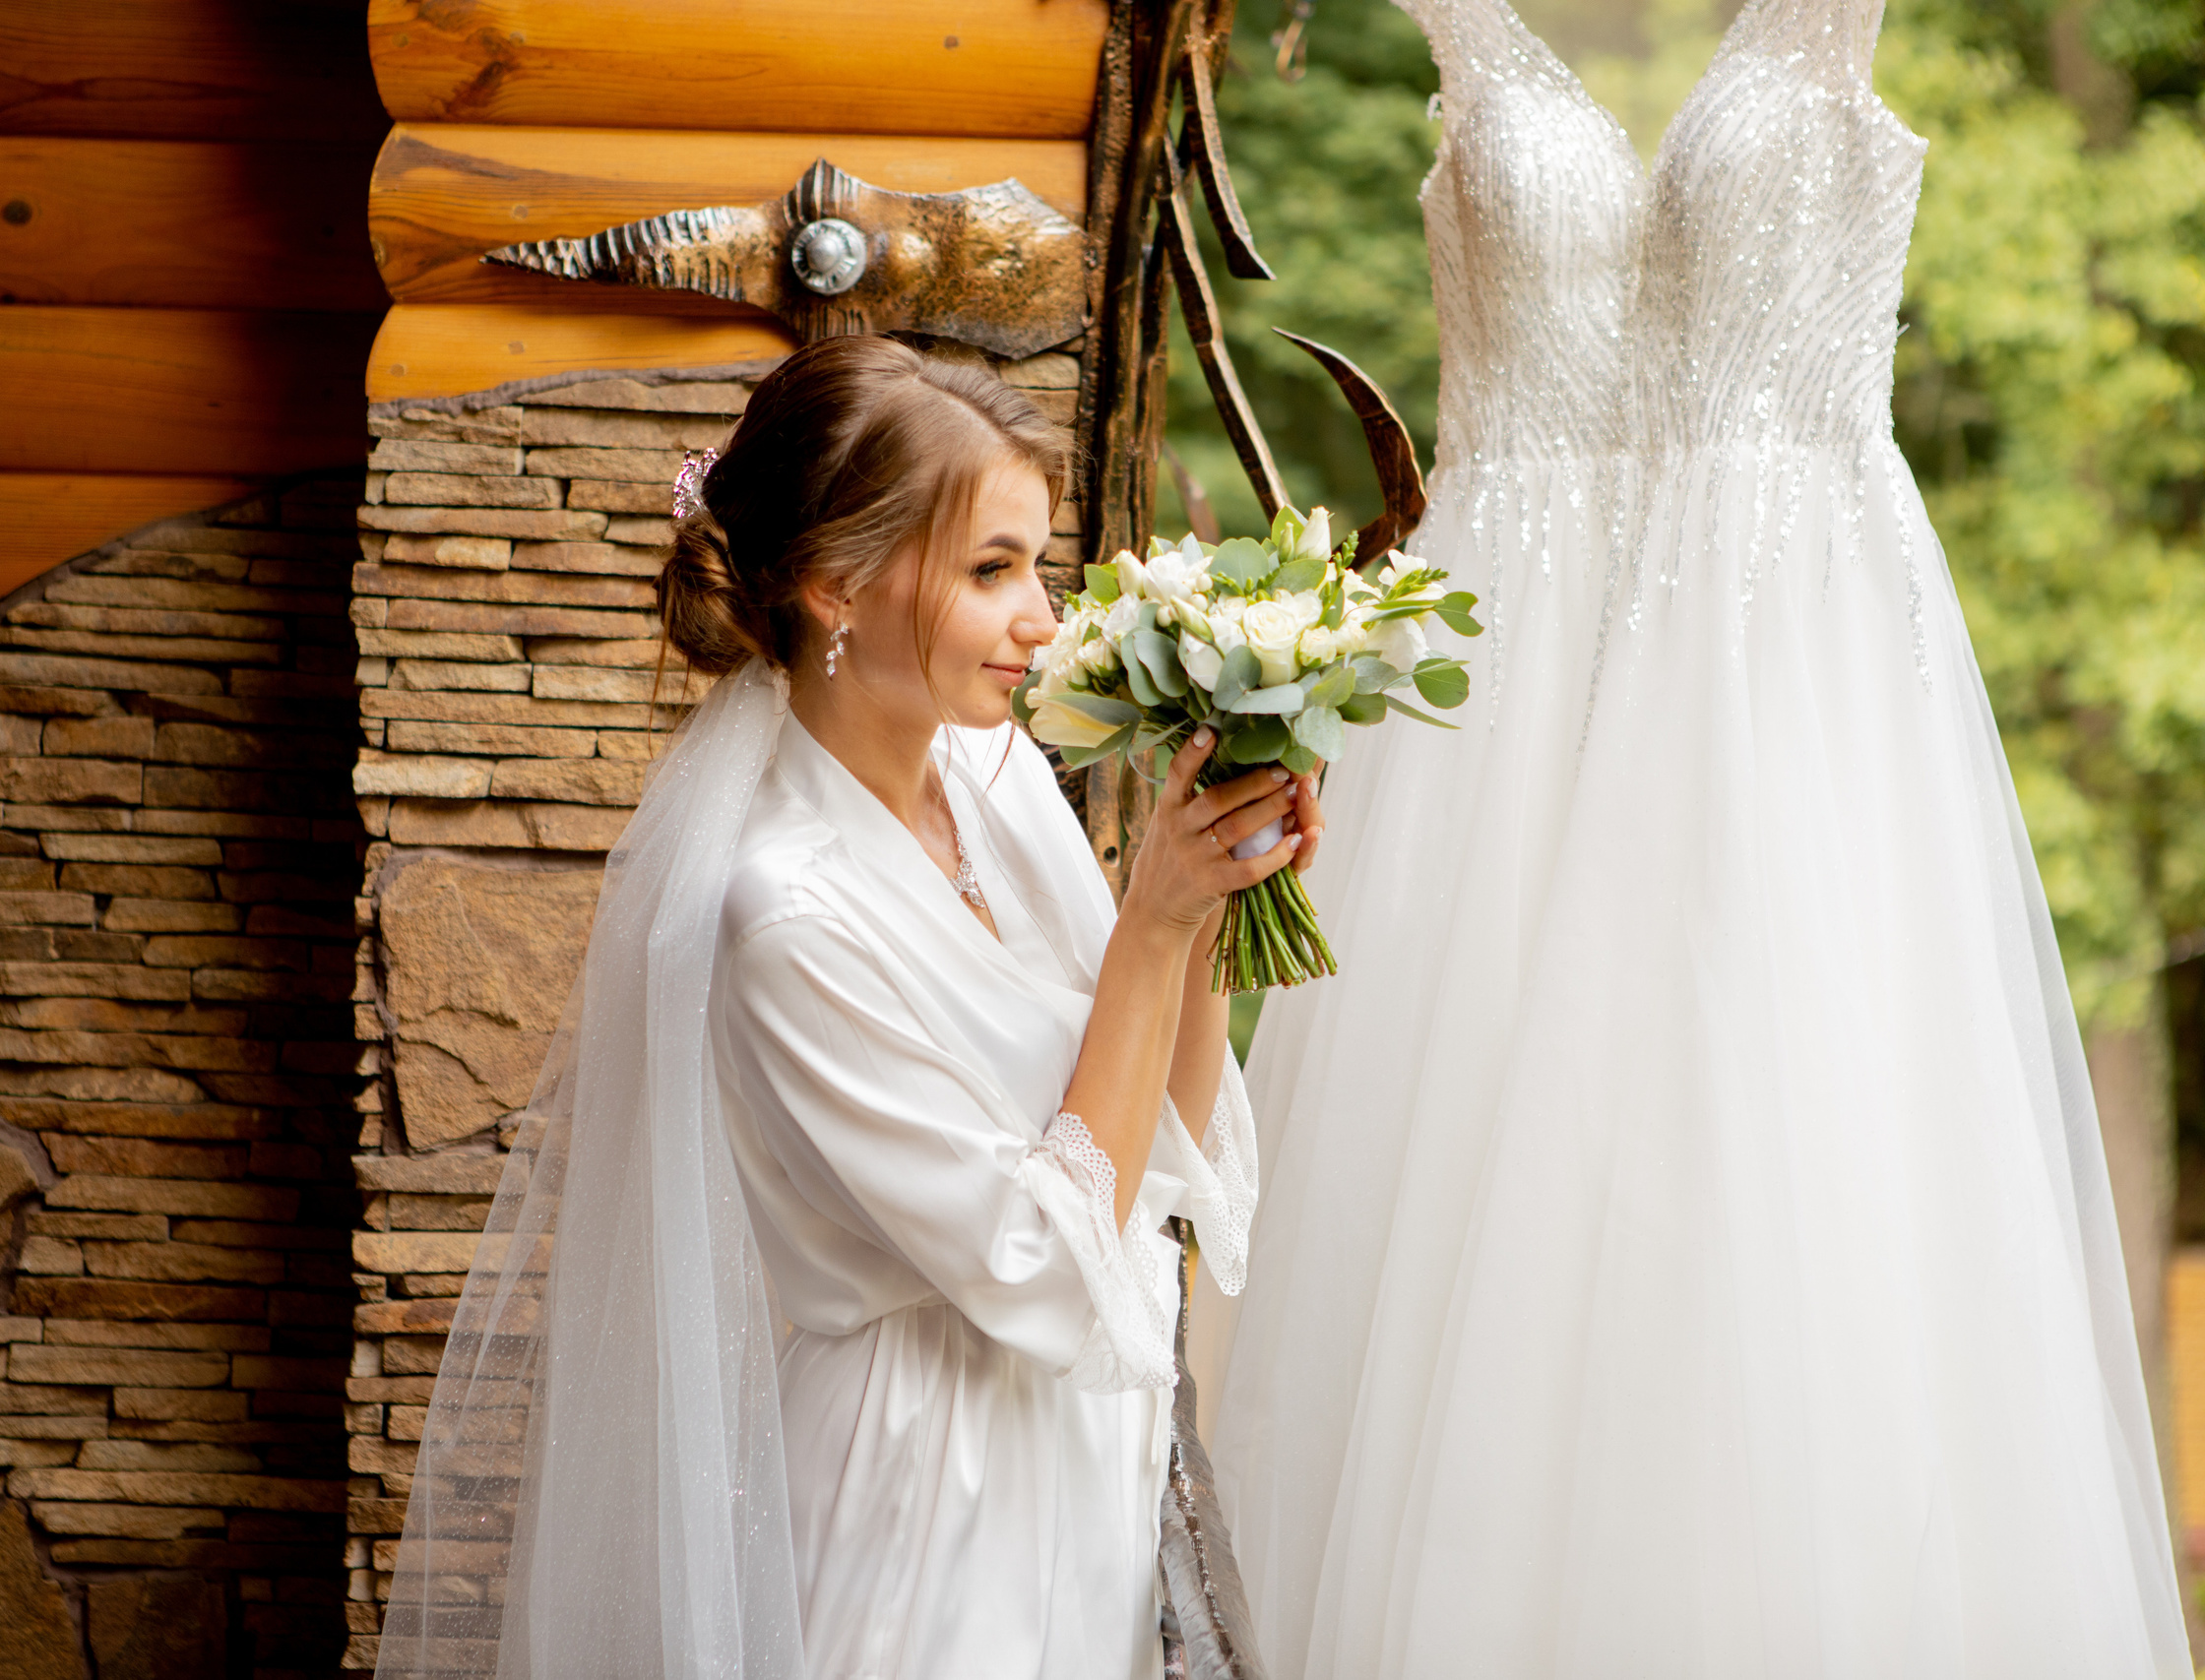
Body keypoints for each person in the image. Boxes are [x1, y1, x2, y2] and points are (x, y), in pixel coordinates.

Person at [1207, 0, 2192, 1674]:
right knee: (1469, 1237)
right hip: (1497, 738)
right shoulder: (1450, 27)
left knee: (1806, 1180)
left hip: (1790, 695)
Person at [376, 335, 1324, 1680]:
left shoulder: (997, 779)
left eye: (1036, 566)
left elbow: (1157, 1157)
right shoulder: (783, 913)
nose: (1044, 619)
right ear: (833, 585)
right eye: (993, 571)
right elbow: (1039, 1260)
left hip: (1081, 1470)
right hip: (923, 1501)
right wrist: (1149, 925)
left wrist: (1210, 899)